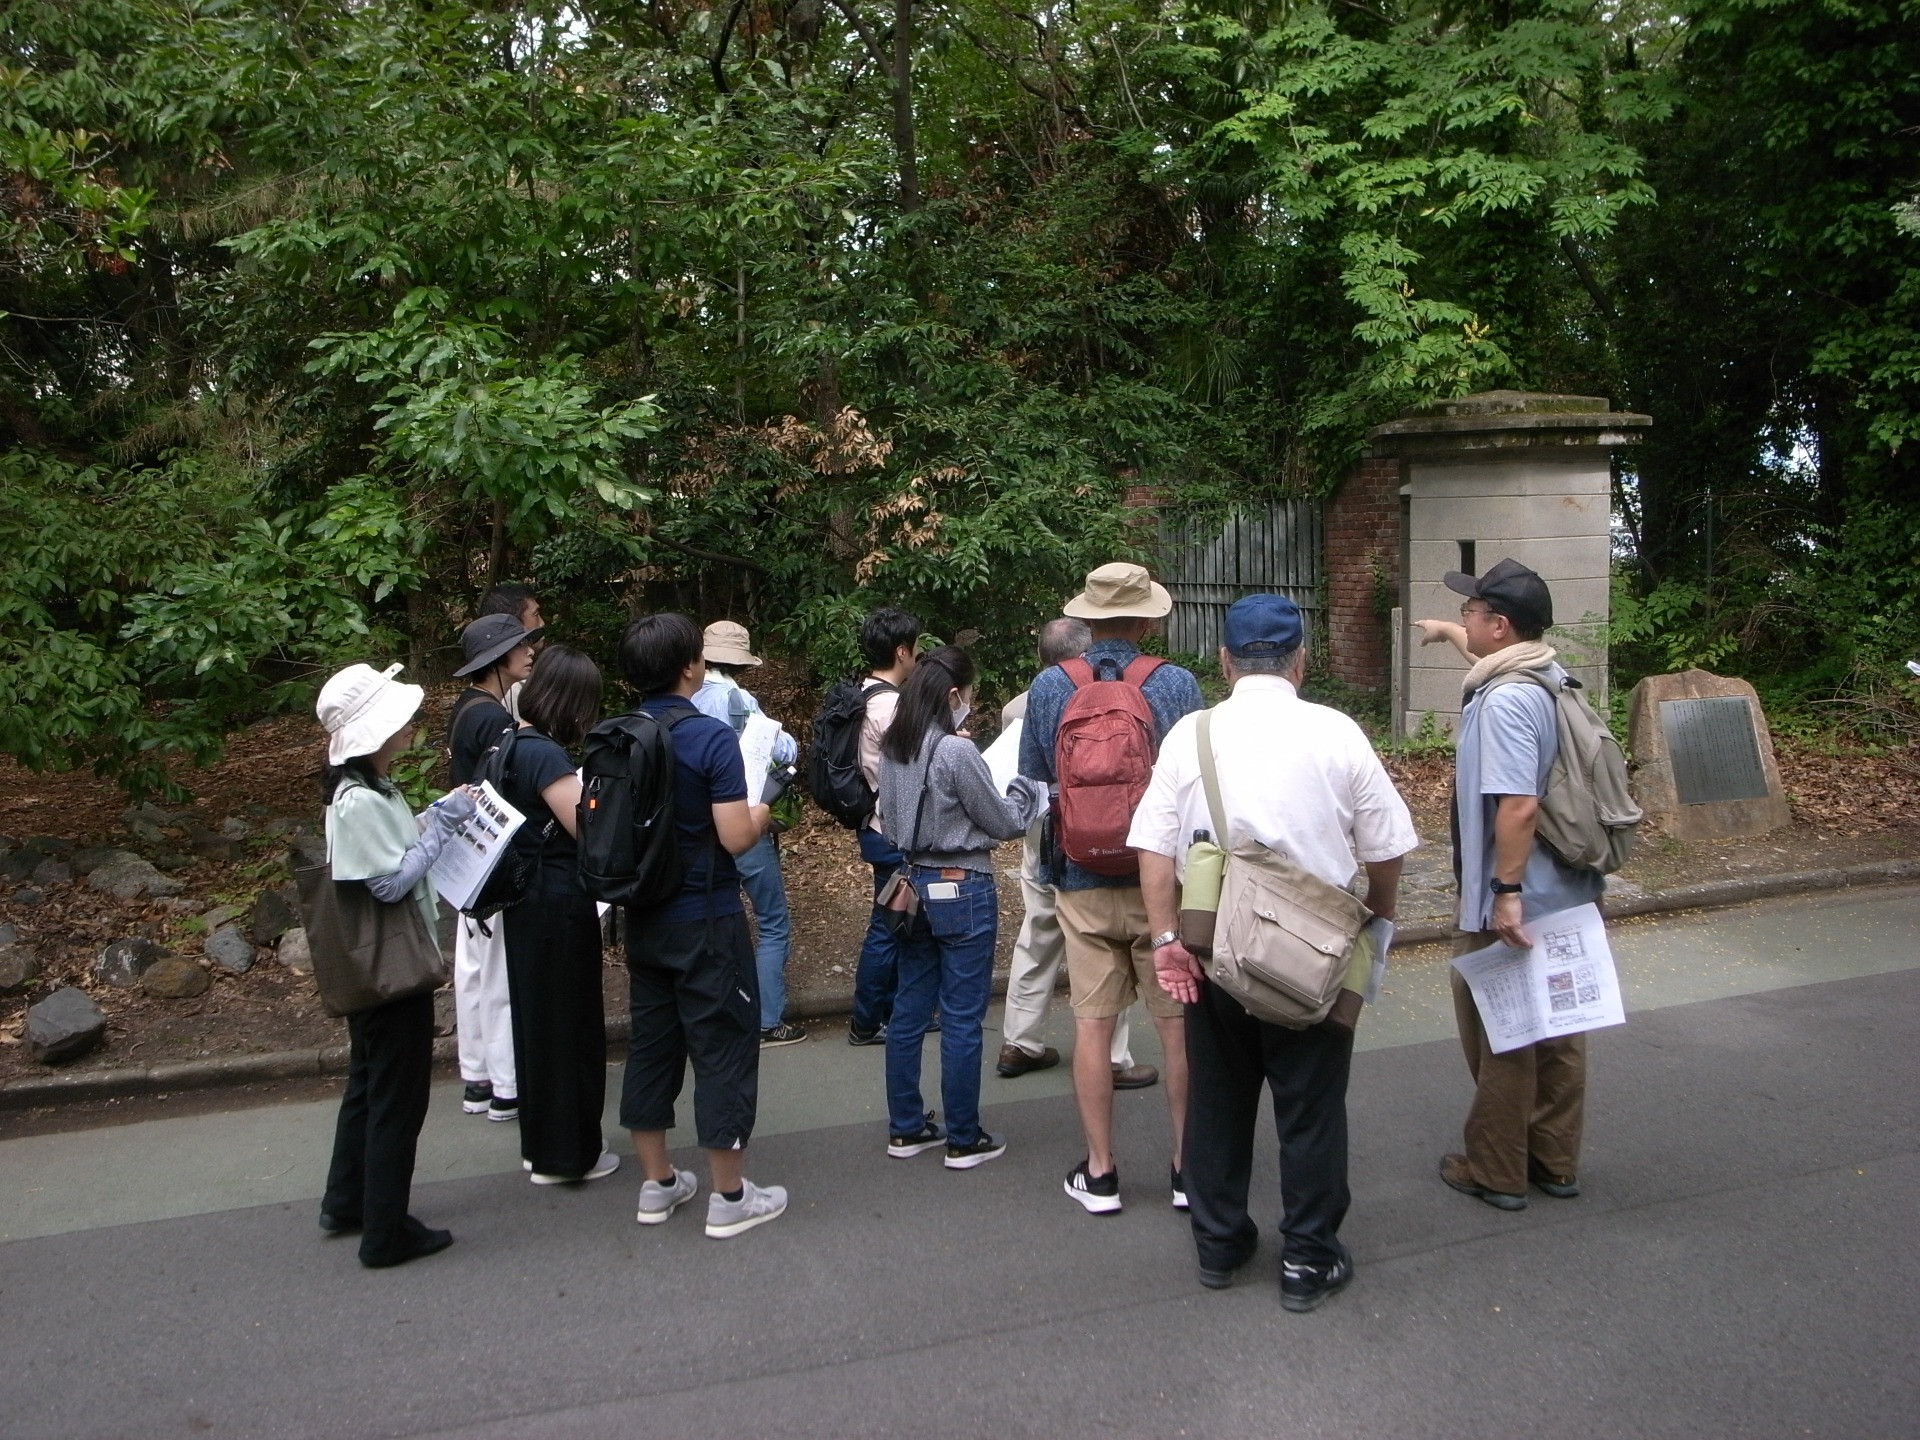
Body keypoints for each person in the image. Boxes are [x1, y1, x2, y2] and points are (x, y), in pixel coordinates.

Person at [1132, 595, 1418, 1311]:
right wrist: (1375, 915)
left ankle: (1219, 1246)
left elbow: (1153, 850)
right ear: (1301, 661)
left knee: (1217, 1101)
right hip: (1314, 959)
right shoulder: (1338, 733)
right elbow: (1386, 850)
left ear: (1224, 661)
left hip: (1216, 951)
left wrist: (1167, 941)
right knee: (1312, 1109)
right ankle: (1308, 1261)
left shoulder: (1190, 736)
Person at [1018, 562, 1203, 1215]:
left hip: (1079, 879)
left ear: (1085, 621)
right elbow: (1195, 795)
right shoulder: (1176, 685)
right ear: (1150, 618)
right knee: (1177, 1029)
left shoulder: (1049, 687)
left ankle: (1100, 1174)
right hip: (1163, 890)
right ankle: (1187, 1170)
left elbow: (1039, 788)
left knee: (1093, 1026)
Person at [1431, 557, 1604, 1211]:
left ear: (1499, 626)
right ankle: (1554, 1160)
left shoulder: (1504, 703)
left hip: (1516, 897)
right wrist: (1445, 633)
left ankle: (1496, 1168)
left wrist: (1504, 893)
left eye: (1471, 613)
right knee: (1562, 1027)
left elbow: (1518, 806)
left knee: (1502, 1027)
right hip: (1567, 888)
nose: (1463, 619)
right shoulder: (1550, 677)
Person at [617, 614, 788, 1238]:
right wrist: (764, 809)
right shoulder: (709, 738)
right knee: (721, 1045)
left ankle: (657, 1184)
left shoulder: (616, 738)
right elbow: (736, 836)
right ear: (691, 666)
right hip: (706, 918)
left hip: (644, 920)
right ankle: (729, 1196)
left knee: (653, 1046)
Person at [315, 662, 475, 1268]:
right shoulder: (357, 799)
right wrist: (443, 831)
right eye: (398, 721)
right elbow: (389, 882)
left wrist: (435, 814)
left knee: (368, 1083)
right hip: (390, 972)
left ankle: (348, 1199)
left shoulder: (367, 789)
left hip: (374, 971)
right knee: (396, 1098)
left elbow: (395, 845)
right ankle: (386, 1229)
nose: (409, 727)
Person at [876, 646, 1048, 1169]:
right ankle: (963, 1136)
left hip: (911, 883)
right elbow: (1004, 821)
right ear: (953, 695)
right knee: (961, 1016)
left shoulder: (894, 746)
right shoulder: (954, 751)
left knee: (908, 1008)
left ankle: (906, 1128)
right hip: (962, 886)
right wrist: (1025, 787)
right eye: (968, 695)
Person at [996, 618, 1150, 1087]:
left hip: (1043, 833)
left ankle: (1019, 1040)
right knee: (1110, 936)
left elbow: (1027, 772)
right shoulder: (1123, 690)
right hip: (1104, 831)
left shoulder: (1021, 704)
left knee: (1038, 933)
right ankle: (1113, 1057)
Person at [499, 645, 620, 1186]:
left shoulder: (506, 744)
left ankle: (540, 1145)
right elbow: (586, 828)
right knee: (571, 1026)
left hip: (523, 901)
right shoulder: (544, 755)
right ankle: (570, 1154)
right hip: (557, 901)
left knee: (536, 1025)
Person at [445, 612, 542, 1124]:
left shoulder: (469, 709)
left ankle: (479, 1077)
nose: (530, 651)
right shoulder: (491, 719)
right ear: (498, 660)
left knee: (474, 970)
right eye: (521, 646)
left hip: (469, 856)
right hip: (495, 858)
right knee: (500, 974)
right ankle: (507, 1086)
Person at [694, 620, 804, 1048]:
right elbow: (782, 749)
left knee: (714, 922)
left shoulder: (682, 697)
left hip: (699, 828)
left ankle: (713, 1016)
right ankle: (767, 1019)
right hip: (744, 820)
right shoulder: (739, 700)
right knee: (772, 921)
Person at [847, 606, 922, 1046]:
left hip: (873, 823)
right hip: (892, 828)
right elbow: (913, 767)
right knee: (890, 924)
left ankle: (891, 1013)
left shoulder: (860, 695)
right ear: (900, 651)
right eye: (914, 648)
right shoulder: (892, 707)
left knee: (897, 922)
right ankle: (868, 1019)